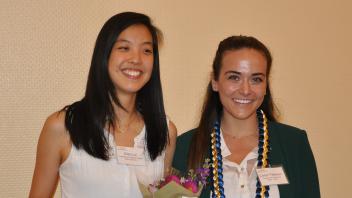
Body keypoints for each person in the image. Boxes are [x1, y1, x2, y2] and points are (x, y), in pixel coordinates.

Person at [29, 12, 177, 198]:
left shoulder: (164, 130)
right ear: (104, 55)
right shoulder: (62, 126)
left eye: (146, 50)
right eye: (124, 48)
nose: (137, 59)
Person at [173, 35, 320, 198]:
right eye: (234, 77)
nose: (245, 90)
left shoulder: (294, 144)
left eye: (256, 79)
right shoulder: (183, 148)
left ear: (266, 86)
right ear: (215, 81)